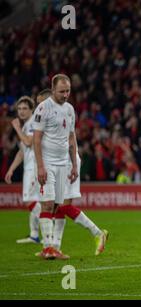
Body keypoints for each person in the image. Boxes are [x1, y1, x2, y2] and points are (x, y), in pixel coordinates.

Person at [36, 89, 109, 256]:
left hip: (67, 162)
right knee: (57, 207)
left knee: (62, 206)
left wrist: (74, 165)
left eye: (41, 102)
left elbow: (70, 140)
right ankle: (53, 247)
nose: (39, 106)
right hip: (58, 162)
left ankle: (98, 233)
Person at [32, 74, 78, 260]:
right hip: (48, 163)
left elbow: (72, 137)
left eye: (68, 91)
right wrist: (40, 166)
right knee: (48, 203)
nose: (66, 94)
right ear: (53, 90)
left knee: (58, 206)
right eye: (62, 91)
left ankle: (52, 248)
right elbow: (36, 139)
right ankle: (48, 247)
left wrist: (74, 165)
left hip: (63, 164)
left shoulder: (70, 109)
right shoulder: (43, 108)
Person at [4, 96, 41, 244]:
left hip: (35, 166)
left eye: (25, 108)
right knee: (33, 200)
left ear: (31, 109)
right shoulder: (26, 126)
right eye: (19, 109)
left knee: (29, 200)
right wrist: (11, 169)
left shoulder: (32, 124)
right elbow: (22, 151)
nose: (22, 111)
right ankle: (34, 235)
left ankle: (48, 222)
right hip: (29, 166)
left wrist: (17, 128)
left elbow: (28, 141)